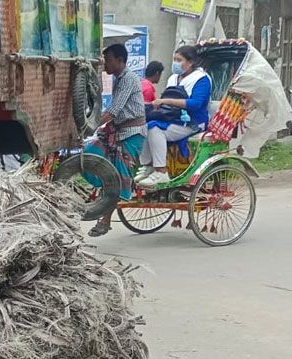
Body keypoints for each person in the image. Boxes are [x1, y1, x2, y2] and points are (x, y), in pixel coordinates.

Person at [86, 44, 147, 237]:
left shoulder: (128, 78)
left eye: (108, 59)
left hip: (131, 133)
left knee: (116, 179)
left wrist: (90, 126)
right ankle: (101, 200)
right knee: (90, 153)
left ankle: (105, 220)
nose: (105, 63)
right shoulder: (118, 79)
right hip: (116, 131)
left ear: (120, 60)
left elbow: (114, 110)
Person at [136, 46, 213, 188]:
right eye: (174, 60)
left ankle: (161, 171)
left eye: (179, 60)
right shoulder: (173, 78)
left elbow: (196, 104)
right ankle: (148, 166)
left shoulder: (201, 79)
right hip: (172, 118)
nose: (175, 63)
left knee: (154, 128)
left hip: (192, 123)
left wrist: (165, 101)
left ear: (190, 62)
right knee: (143, 126)